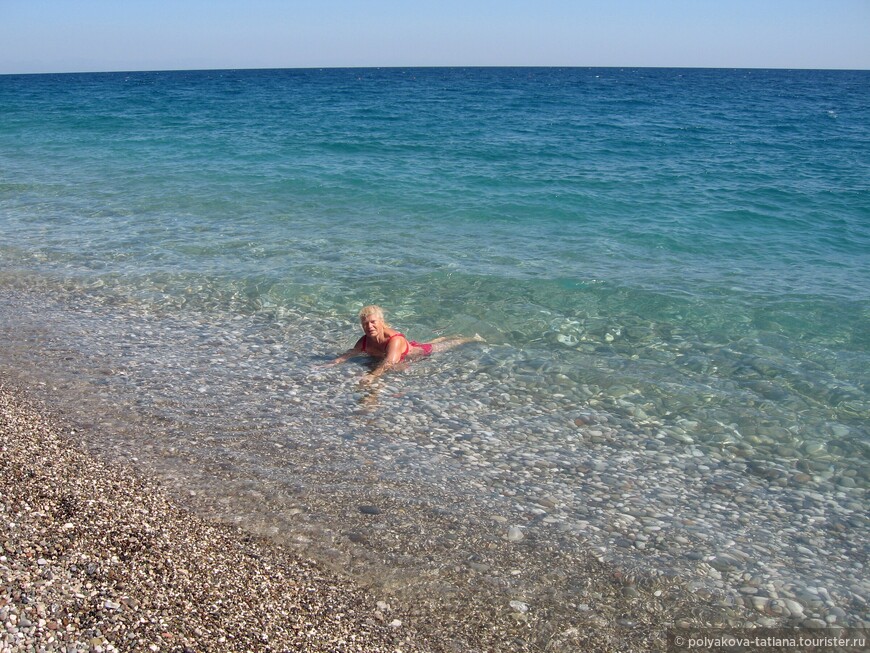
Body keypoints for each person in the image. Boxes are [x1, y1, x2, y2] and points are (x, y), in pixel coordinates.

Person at [326, 305, 482, 384]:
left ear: (381, 322)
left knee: (447, 345)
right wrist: (332, 363)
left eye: (373, 322)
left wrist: (372, 375)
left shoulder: (394, 340)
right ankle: (444, 337)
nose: (369, 326)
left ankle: (471, 338)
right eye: (365, 324)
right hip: (411, 346)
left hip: (419, 352)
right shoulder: (364, 340)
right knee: (430, 341)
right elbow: (351, 353)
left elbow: (389, 362)